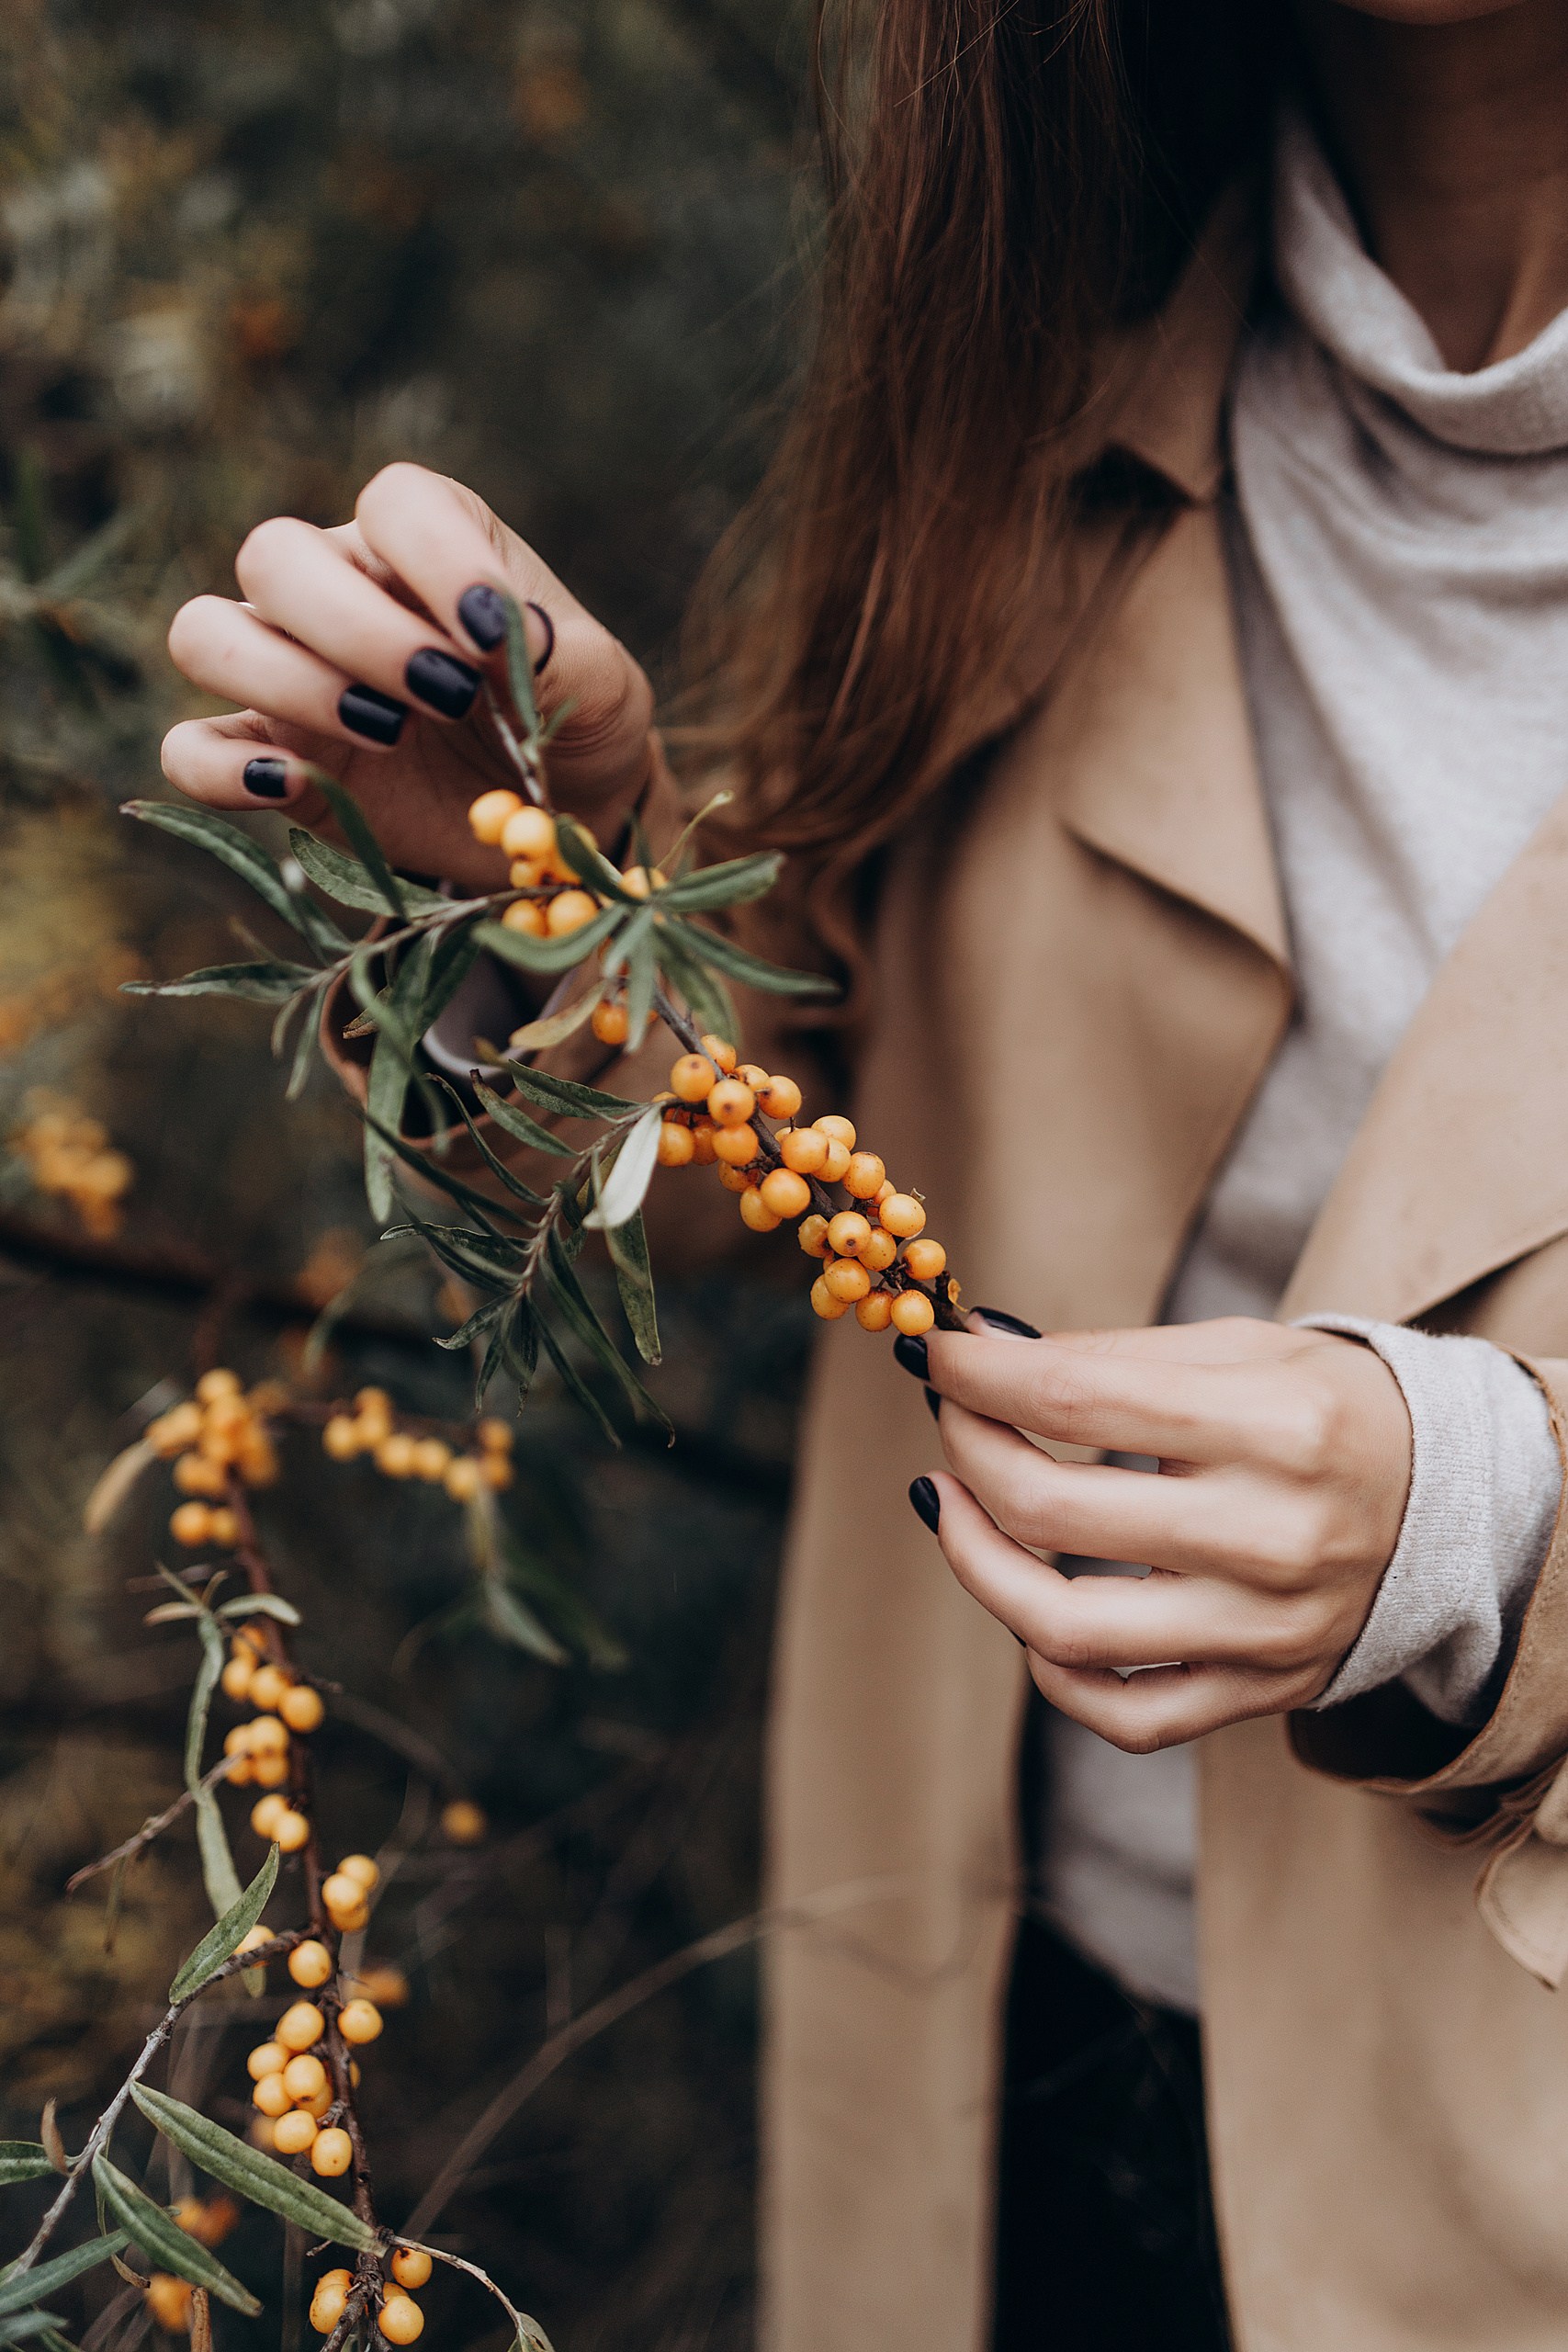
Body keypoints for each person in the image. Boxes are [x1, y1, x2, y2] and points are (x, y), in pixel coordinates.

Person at [159, 2, 1568, 2344]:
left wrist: (1502, 1527)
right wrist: (558, 890)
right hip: (982, 2089)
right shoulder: (1030, 348)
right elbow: (775, 1155)